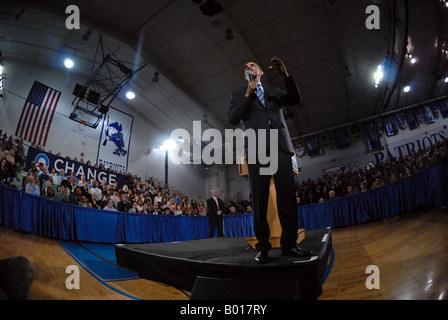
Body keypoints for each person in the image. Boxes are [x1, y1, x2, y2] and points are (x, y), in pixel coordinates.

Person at [228, 57, 310, 264]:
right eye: (245, 66)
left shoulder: (273, 91)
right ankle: (263, 247)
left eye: (252, 65)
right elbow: (232, 118)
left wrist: (286, 76)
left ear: (261, 72)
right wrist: (247, 95)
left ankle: (290, 244)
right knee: (259, 200)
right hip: (256, 151)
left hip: (279, 148)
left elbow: (295, 99)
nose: (248, 67)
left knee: (287, 198)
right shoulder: (238, 94)